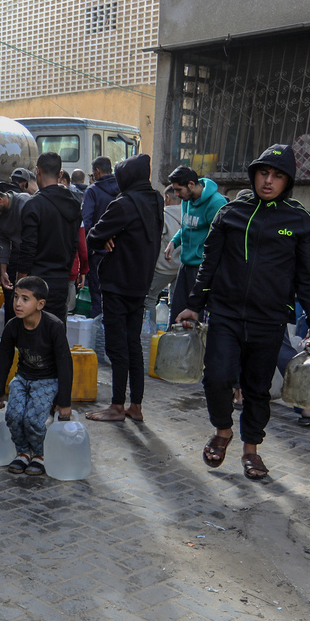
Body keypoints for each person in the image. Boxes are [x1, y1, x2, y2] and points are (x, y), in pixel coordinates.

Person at [176, 144, 310, 481]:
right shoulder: (230, 213)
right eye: (263, 173)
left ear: (288, 181)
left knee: (258, 388)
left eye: (277, 175)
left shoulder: (299, 220)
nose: (268, 181)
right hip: (226, 314)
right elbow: (208, 263)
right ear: (254, 174)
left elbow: (309, 274)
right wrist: (194, 304)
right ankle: (223, 429)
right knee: (216, 377)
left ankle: (251, 451)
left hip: (269, 318)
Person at [85, 154, 164, 423]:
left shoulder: (124, 203)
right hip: (140, 283)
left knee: (118, 346)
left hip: (118, 283)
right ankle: (136, 406)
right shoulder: (156, 199)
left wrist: (107, 236)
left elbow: (93, 236)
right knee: (133, 345)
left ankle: (117, 406)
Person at [0, 276, 72, 475]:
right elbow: (4, 358)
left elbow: (65, 364)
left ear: (40, 304)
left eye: (25, 299)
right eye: (16, 297)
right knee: (13, 416)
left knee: (33, 420)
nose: (18, 303)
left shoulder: (54, 326)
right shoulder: (13, 326)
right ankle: (23, 452)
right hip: (23, 378)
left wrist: (64, 402)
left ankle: (39, 454)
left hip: (47, 380)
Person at [19, 152, 83, 320]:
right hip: (61, 280)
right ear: (60, 174)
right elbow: (73, 245)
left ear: (38, 171)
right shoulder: (75, 204)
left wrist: (21, 281)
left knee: (33, 333)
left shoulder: (33, 205)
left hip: (35, 283)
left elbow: (28, 248)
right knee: (55, 332)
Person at [163, 166, 228, 322]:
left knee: (195, 320)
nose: (176, 194)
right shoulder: (187, 200)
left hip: (202, 269)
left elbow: (221, 239)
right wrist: (174, 242)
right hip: (185, 265)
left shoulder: (216, 203)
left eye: (179, 190)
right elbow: (187, 225)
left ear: (191, 184)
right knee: (177, 316)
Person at [81, 156, 119, 317]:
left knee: (97, 296)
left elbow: (86, 221)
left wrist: (90, 249)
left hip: (98, 253)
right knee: (115, 297)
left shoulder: (92, 191)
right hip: (118, 251)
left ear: (97, 171)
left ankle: (98, 338)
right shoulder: (123, 189)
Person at [147, 186, 184, 324]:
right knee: (174, 303)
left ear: (167, 198)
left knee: (149, 299)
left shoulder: (163, 216)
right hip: (180, 267)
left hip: (163, 267)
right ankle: (171, 333)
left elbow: (154, 241)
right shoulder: (188, 214)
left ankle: (149, 332)